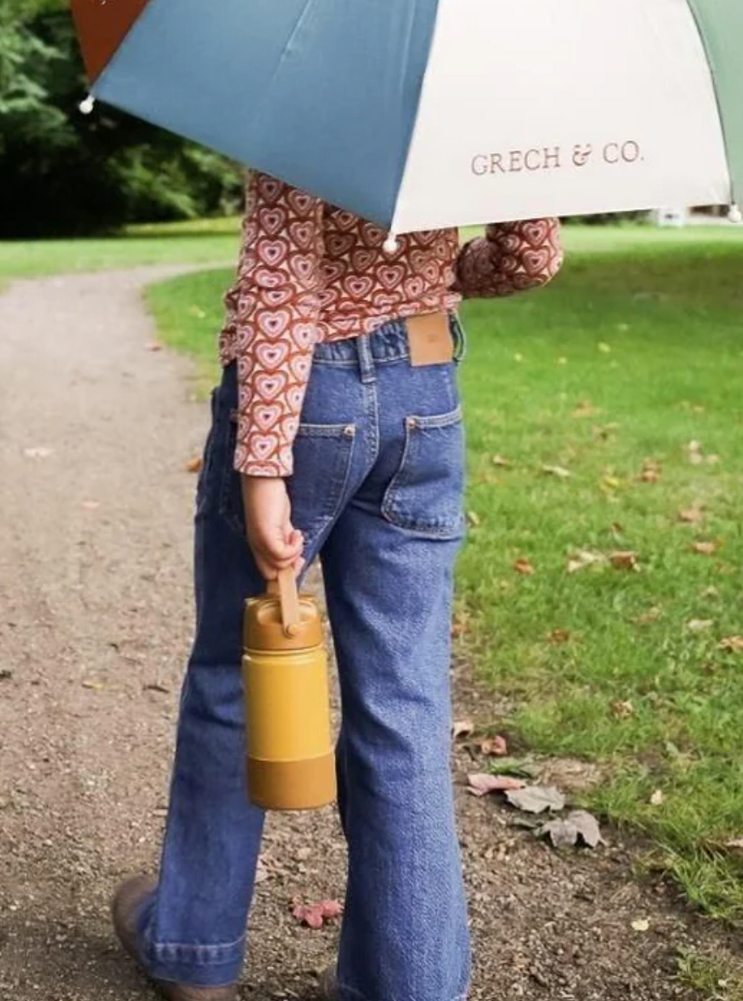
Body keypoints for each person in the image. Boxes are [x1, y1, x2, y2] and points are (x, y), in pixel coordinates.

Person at [112, 171, 563, 1001]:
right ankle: (411, 984)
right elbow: (528, 255)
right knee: (404, 701)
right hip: (425, 395)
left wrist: (261, 466)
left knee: (231, 674)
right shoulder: (471, 92)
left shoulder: (305, 77)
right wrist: (438, 272)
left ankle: (194, 949)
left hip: (304, 396)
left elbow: (283, 283)